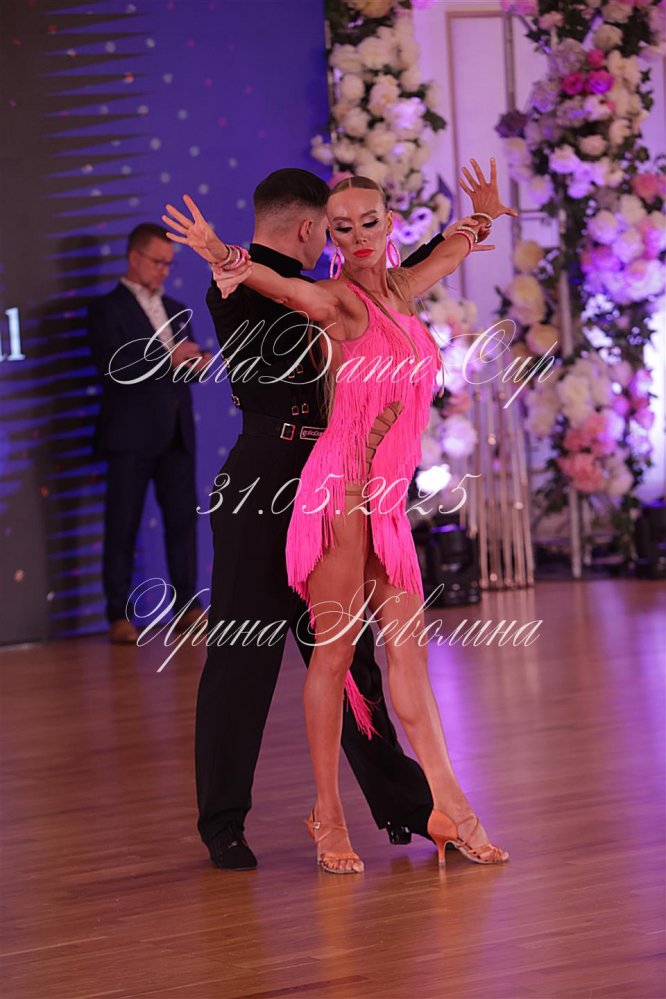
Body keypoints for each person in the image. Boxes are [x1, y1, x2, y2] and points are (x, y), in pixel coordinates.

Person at [165, 159, 515, 875]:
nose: (347, 237)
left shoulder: (369, 283)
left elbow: (407, 270)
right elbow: (288, 290)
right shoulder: (251, 286)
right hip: (270, 481)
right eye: (336, 226)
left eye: (364, 225)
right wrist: (223, 256)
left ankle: (411, 806)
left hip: (356, 482)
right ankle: (228, 823)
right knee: (245, 654)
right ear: (311, 228)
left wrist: (479, 221)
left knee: (356, 660)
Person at [87, 223, 211, 643]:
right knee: (122, 524)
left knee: (183, 522)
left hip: (176, 431)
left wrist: (196, 364)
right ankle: (118, 614)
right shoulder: (107, 309)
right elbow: (113, 368)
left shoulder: (175, 307)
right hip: (130, 435)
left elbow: (181, 367)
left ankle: (188, 606)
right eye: (157, 262)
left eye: (169, 264)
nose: (164, 271)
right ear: (134, 258)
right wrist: (169, 357)